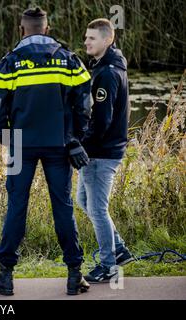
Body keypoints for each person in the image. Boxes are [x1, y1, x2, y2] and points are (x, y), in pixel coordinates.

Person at [0, 7, 92, 295]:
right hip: (59, 145)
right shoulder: (69, 59)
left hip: (22, 145)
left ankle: (5, 277)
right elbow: (84, 103)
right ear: (47, 28)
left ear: (22, 29)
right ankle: (74, 275)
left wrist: (7, 136)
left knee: (16, 208)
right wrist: (75, 138)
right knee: (63, 208)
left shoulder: (10, 62)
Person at [77, 18, 133, 283]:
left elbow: (101, 120)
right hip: (103, 149)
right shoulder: (107, 66)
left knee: (97, 209)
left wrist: (81, 145)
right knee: (85, 201)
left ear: (107, 40)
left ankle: (109, 265)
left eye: (92, 38)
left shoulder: (108, 73)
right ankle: (119, 249)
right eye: (86, 37)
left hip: (101, 152)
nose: (86, 41)